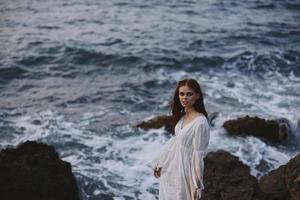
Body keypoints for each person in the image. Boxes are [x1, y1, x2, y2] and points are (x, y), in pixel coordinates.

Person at [151, 78, 210, 200]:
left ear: (197, 96)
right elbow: (175, 143)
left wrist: (197, 186)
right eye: (181, 94)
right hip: (172, 168)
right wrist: (161, 163)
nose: (184, 98)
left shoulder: (200, 123)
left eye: (189, 94)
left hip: (185, 172)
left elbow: (198, 157)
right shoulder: (183, 116)